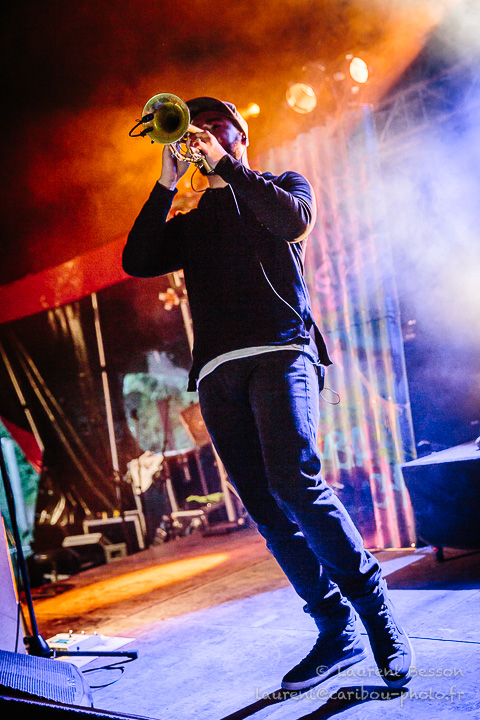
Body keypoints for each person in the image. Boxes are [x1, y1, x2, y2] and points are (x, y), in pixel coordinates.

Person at [122, 96, 414, 691]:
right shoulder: (193, 221)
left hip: (282, 352)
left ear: (241, 134)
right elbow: (137, 259)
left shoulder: (281, 186)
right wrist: (165, 183)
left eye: (215, 126)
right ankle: (335, 631)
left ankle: (377, 617)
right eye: (193, 127)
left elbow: (293, 222)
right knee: (265, 507)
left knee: (294, 483)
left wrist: (226, 167)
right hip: (217, 372)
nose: (202, 133)